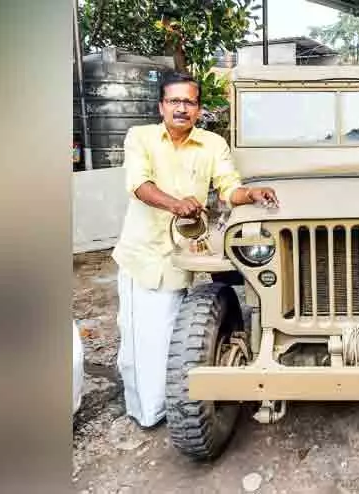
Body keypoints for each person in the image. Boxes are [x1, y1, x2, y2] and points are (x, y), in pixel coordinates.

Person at [112, 72, 278, 428]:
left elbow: (228, 188)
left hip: (182, 255)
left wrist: (251, 194)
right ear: (161, 106)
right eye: (174, 101)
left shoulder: (212, 144)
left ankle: (168, 407)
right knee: (139, 340)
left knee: (171, 334)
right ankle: (147, 415)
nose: (182, 108)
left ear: (199, 108)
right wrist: (176, 205)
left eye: (189, 102)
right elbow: (140, 185)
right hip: (143, 255)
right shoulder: (139, 138)